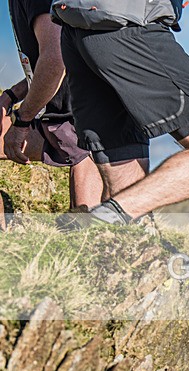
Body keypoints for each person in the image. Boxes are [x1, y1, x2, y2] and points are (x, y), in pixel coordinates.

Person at [54, 1, 189, 227]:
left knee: (122, 160)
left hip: (77, 27)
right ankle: (104, 219)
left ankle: (120, 240)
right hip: (128, 24)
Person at [2, 0, 103, 228]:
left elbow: (56, 59)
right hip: (56, 117)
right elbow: (51, 63)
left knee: (84, 229)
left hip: (84, 121)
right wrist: (10, 95)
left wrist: (21, 120)